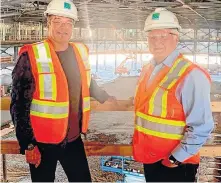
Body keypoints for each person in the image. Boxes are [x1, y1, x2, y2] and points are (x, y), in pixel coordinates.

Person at [10, 0, 116, 182]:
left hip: (73, 139)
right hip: (42, 142)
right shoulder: (32, 56)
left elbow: (87, 82)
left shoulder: (80, 51)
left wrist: (104, 97)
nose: (63, 28)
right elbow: (19, 104)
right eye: (57, 21)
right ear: (48, 23)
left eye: (68, 23)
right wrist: (27, 144)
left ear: (73, 26)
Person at [132, 8, 214, 182]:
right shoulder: (148, 69)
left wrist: (175, 157)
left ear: (176, 38)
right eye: (152, 37)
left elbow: (202, 125)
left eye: (163, 36)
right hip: (151, 158)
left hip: (176, 164)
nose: (157, 42)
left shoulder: (191, 75)